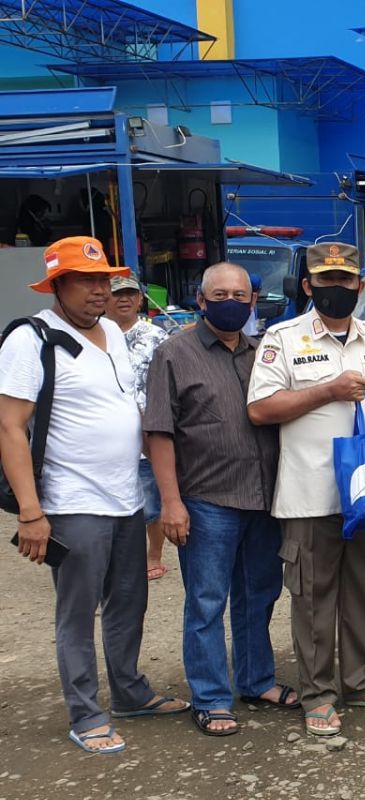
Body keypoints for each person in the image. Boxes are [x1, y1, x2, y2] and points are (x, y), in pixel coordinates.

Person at [0, 236, 189, 755]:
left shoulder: (111, 330)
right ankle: (86, 713)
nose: (98, 291)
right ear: (57, 285)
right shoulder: (32, 339)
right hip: (72, 502)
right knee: (78, 613)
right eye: (85, 282)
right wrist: (32, 513)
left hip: (128, 497)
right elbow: (10, 428)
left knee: (130, 602)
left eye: (103, 280)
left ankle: (128, 691)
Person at [247, 243, 365, 737]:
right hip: (310, 494)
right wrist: (328, 390)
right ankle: (318, 694)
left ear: (360, 286)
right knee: (314, 598)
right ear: (307, 286)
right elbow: (260, 409)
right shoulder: (283, 338)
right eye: (326, 281)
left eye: (345, 281)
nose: (336, 289)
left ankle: (362, 681)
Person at [144, 262, 297, 737]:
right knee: (207, 602)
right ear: (200, 298)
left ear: (253, 300)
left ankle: (256, 680)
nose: (232, 301)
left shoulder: (265, 352)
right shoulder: (174, 353)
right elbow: (159, 434)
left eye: (241, 293)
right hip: (207, 500)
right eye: (221, 293)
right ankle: (210, 698)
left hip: (264, 498)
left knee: (259, 597)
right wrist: (171, 502)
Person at [105, 276, 171, 581]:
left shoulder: (157, 336)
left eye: (130, 293)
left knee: (151, 504)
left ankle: (153, 555)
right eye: (118, 294)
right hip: (105, 438)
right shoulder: (94, 335)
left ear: (140, 299)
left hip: (147, 433)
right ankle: (110, 558)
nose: (124, 299)